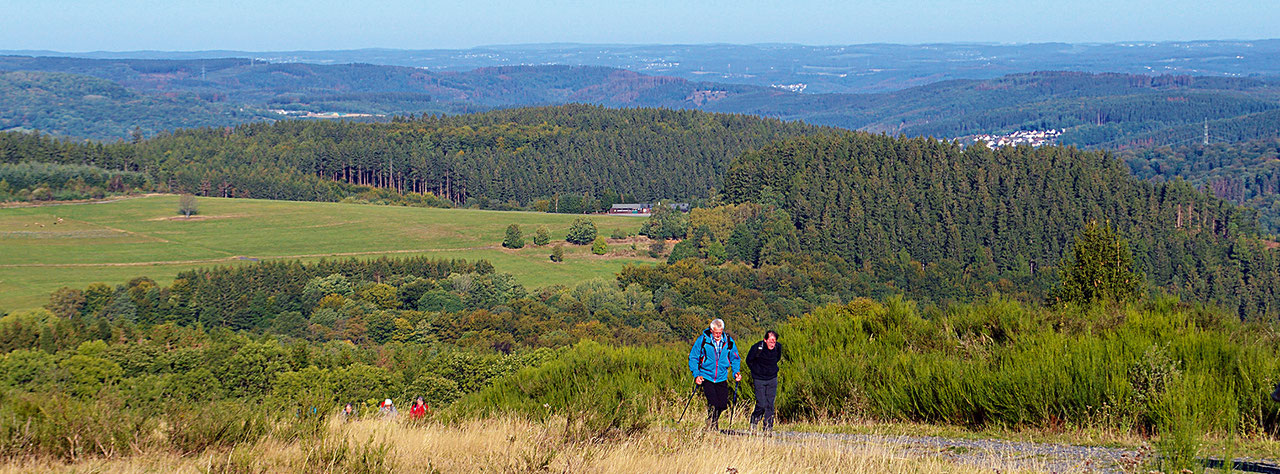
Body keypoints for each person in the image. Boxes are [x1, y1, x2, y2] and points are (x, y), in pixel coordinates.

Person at [688, 318, 741, 431]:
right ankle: (713, 426)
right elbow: (693, 357)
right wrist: (696, 374)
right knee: (713, 403)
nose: (718, 335)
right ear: (711, 330)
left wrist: (736, 372)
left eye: (720, 332)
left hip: (721, 376)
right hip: (706, 376)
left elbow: (735, 358)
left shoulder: (729, 341)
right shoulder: (703, 340)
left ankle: (712, 421)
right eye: (716, 332)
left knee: (723, 404)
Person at [747, 330, 782, 432]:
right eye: (770, 341)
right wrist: (756, 371)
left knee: (770, 404)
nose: (772, 344)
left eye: (774, 341)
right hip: (759, 379)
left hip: (772, 378)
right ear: (765, 340)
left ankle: (768, 427)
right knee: (761, 403)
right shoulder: (757, 347)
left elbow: (777, 358)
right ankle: (754, 421)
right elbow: (749, 360)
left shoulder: (777, 347)